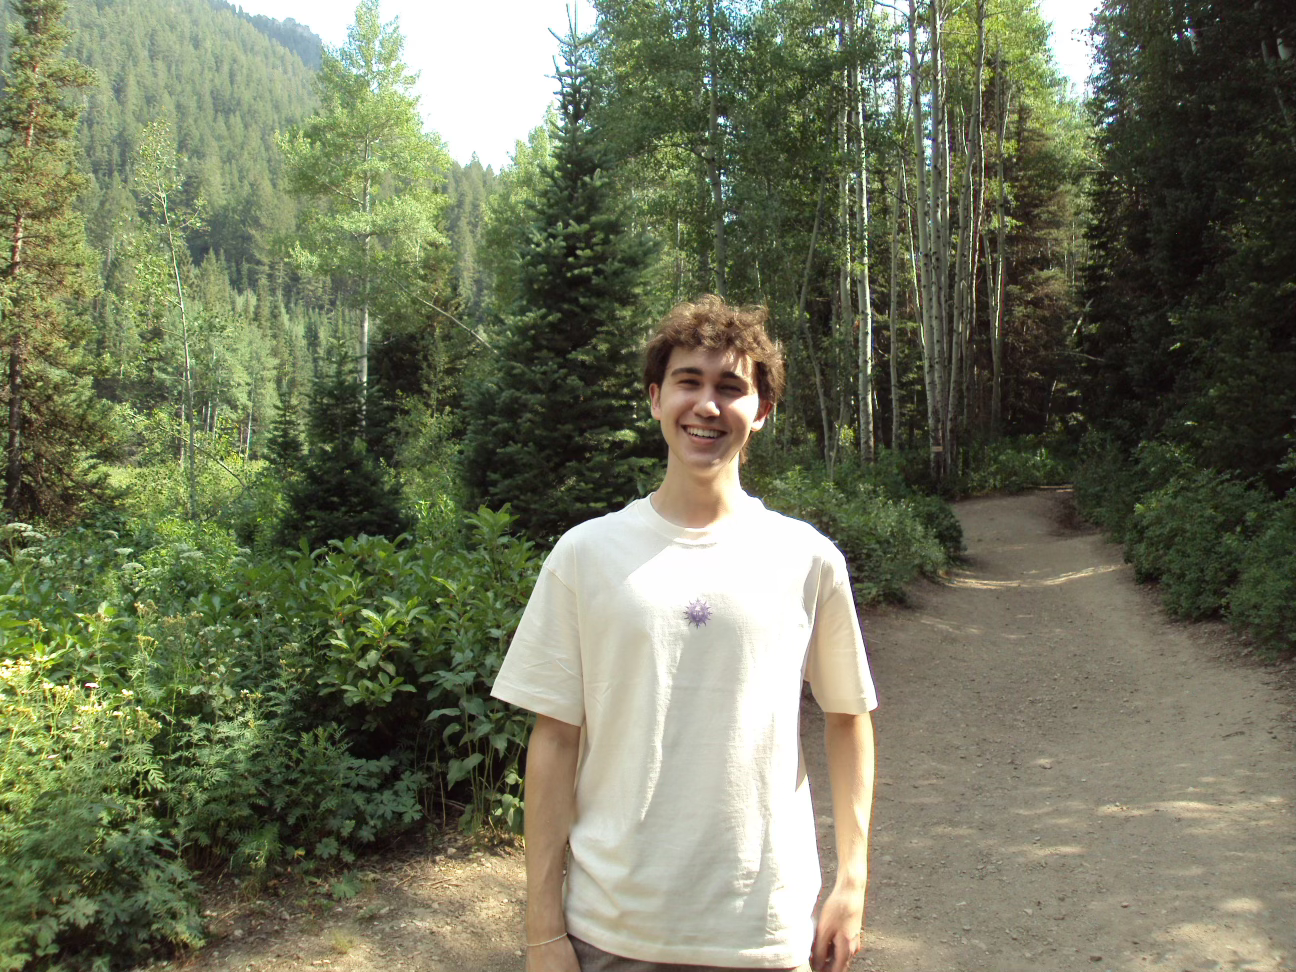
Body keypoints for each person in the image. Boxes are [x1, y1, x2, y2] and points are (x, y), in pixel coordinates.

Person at [491, 295, 878, 972]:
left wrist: (852, 881)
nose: (707, 405)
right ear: (654, 398)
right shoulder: (585, 556)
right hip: (610, 932)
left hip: (763, 932)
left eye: (731, 388)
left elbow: (847, 717)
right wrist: (541, 932)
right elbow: (553, 739)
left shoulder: (807, 559)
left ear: (761, 411)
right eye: (688, 382)